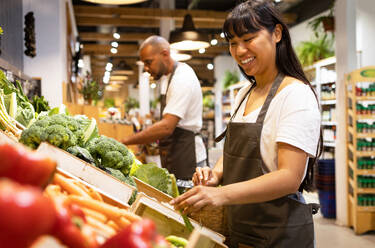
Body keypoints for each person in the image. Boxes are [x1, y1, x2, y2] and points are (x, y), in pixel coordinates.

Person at [170, 1, 322, 247]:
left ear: (277, 34)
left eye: (248, 39)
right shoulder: (244, 93)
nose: (240, 51)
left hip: (278, 234)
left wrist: (222, 194)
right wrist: (215, 174)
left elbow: (289, 176)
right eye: (232, 43)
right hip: (241, 227)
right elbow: (234, 150)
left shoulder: (296, 95)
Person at [122, 35, 207, 187]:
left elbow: (167, 126)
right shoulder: (166, 78)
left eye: (148, 62)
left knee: (188, 205)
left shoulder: (182, 78)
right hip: (175, 153)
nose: (146, 69)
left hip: (188, 155)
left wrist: (126, 140)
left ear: (165, 54)